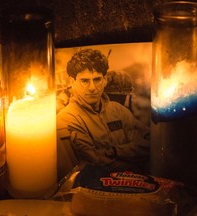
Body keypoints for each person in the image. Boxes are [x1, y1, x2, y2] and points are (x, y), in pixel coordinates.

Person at [57, 49, 150, 178]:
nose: (92, 87)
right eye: (84, 81)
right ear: (72, 82)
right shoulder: (67, 118)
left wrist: (116, 151)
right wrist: (134, 164)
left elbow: (148, 144)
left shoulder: (118, 110)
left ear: (104, 80)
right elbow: (96, 162)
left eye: (97, 80)